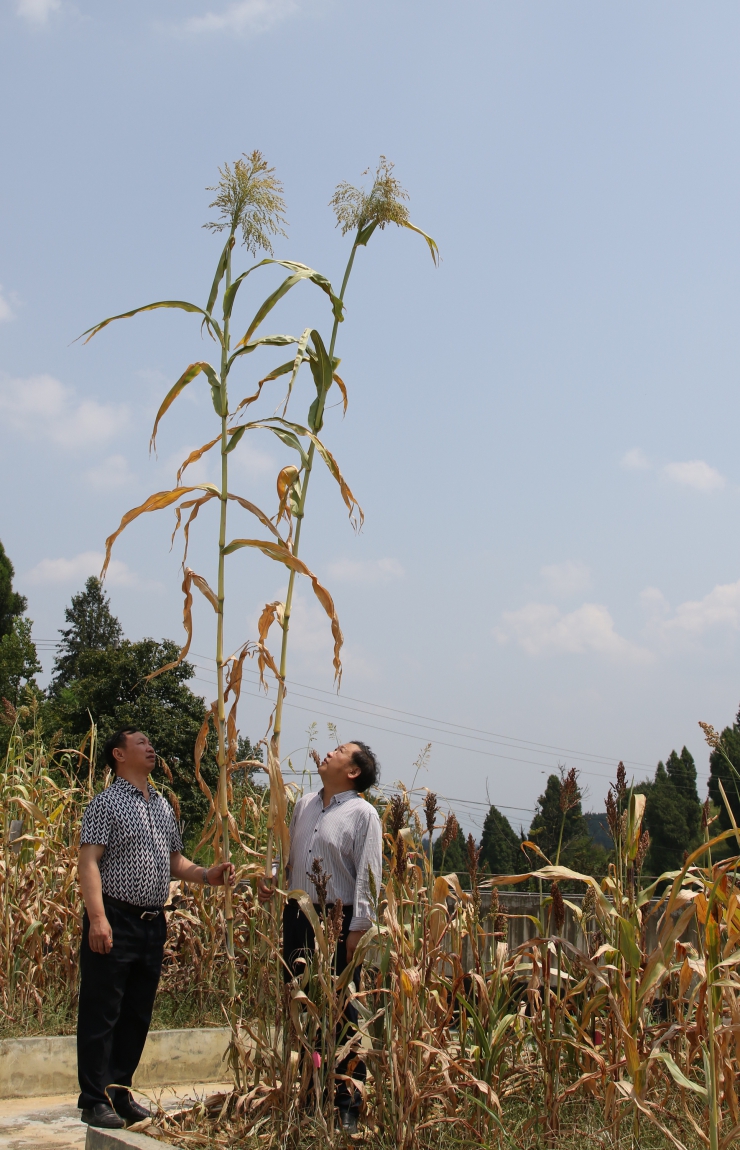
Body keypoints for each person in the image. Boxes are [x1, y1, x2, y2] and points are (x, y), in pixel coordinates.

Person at [77, 727, 235, 1130]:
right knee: (103, 1012)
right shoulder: (105, 805)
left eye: (151, 741)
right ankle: (94, 1099)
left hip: (153, 922)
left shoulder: (163, 805)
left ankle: (120, 1093)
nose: (151, 747)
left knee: (136, 1013)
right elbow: (89, 861)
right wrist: (97, 918)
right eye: (141, 743)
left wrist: (207, 874)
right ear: (118, 754)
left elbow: (175, 863)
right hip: (115, 918)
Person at [258, 740, 382, 1135]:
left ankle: (346, 1101)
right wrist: (274, 876)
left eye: (340, 750)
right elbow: (291, 853)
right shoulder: (305, 804)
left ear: (353, 771)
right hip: (298, 914)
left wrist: (358, 929)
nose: (329, 752)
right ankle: (311, 1092)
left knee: (341, 1010)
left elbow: (368, 876)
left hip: (337, 919)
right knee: (304, 1005)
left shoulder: (363, 814)